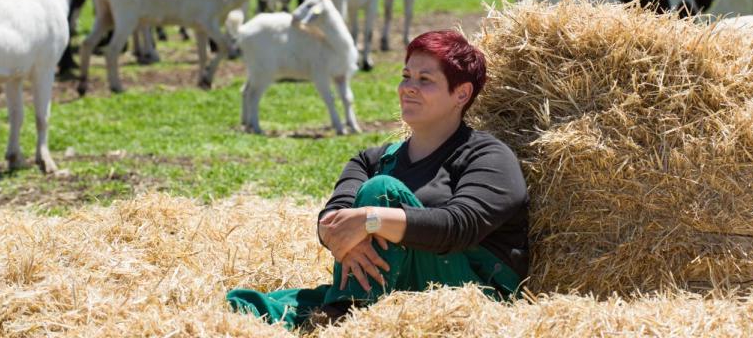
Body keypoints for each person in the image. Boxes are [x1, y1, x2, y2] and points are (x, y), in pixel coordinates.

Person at [227, 30, 529, 330]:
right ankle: (349, 311)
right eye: (406, 76)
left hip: (470, 298)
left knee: (380, 190)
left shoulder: (489, 157)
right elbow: (333, 218)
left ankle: (345, 317)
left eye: (425, 80)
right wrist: (337, 232)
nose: (408, 88)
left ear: (461, 94)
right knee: (250, 305)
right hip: (395, 289)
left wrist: (372, 220)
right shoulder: (371, 160)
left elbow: (458, 227)